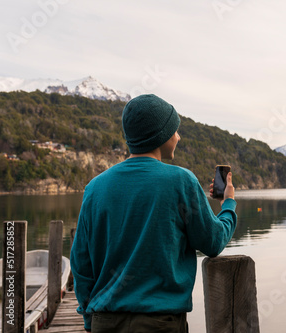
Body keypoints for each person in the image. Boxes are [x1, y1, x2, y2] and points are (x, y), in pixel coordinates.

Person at [70, 94, 237, 333]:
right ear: (161, 136)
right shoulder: (181, 181)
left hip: (104, 323)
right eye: (175, 130)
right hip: (159, 323)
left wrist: (89, 320)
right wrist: (228, 203)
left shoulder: (95, 187)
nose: (178, 136)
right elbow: (213, 241)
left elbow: (81, 263)